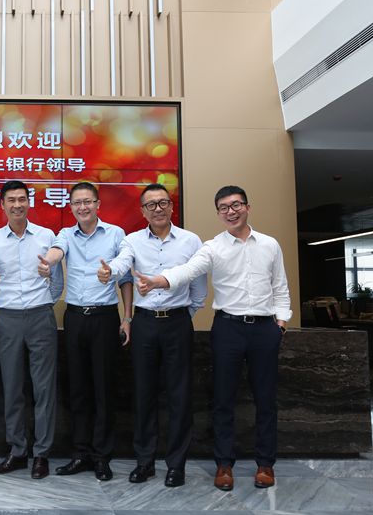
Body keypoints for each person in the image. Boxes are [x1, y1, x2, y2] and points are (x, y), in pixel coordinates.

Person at [134, 185, 291, 491]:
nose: (231, 212)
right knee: (223, 400)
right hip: (228, 328)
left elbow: (280, 287)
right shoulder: (212, 247)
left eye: (236, 205)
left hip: (264, 329)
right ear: (218, 213)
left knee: (266, 400)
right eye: (224, 208)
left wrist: (281, 324)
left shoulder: (270, 244)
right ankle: (224, 465)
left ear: (247, 207)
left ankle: (265, 464)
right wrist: (158, 281)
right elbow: (187, 270)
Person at [101, 183, 207, 487]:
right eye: (151, 205)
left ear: (171, 207)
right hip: (145, 324)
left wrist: (184, 316)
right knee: (143, 394)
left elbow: (199, 287)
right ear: (143, 211)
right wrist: (110, 271)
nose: (157, 209)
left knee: (179, 395)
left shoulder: (190, 240)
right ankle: (144, 462)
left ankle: (176, 465)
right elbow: (123, 263)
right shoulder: (132, 240)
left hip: (177, 322)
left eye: (163, 203)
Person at [37, 181, 132, 481]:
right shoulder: (66, 234)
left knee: (103, 388)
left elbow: (126, 274)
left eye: (87, 201)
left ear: (98, 204)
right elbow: (56, 251)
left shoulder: (115, 233)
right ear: (71, 207)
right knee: (77, 389)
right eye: (77, 203)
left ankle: (102, 457)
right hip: (76, 317)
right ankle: (80, 453)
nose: (82, 207)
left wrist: (126, 317)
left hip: (105, 317)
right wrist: (48, 263)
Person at [0, 180, 63, 480]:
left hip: (41, 316)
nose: (17, 205)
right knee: (12, 385)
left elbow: (57, 281)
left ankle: (41, 454)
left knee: (44, 388)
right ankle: (17, 451)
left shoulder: (46, 236)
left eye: (22, 199)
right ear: (2, 205)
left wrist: (44, 302)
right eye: (11, 200)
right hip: (9, 318)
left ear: (29, 202)